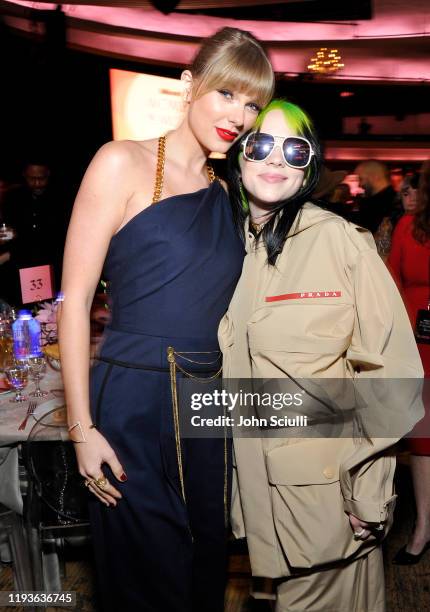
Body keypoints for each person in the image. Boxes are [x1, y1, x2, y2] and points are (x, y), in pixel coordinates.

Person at [57, 27, 274, 612]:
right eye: (227, 94)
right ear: (188, 84)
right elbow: (73, 302)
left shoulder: (230, 192)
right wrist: (81, 429)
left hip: (208, 405)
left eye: (252, 103)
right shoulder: (120, 161)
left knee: (202, 566)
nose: (239, 115)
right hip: (133, 398)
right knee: (144, 575)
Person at [219, 99, 423, 611]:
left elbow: (390, 378)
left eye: (294, 149)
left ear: (310, 165)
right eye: (261, 144)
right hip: (260, 494)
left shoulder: (339, 243)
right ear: (239, 155)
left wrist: (368, 492)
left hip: (328, 499)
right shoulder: (229, 245)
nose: (275, 160)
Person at [388, 162, 430, 565]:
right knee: (423, 440)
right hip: (419, 340)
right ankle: (422, 527)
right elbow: (393, 280)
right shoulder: (408, 226)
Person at [2, 159, 69, 303]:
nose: (37, 183)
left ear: (48, 174)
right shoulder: (13, 197)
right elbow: (9, 229)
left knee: (49, 312)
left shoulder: (62, 197)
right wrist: (9, 235)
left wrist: (11, 252)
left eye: (41, 178)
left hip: (52, 267)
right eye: (32, 179)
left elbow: (56, 236)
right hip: (21, 269)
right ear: (24, 176)